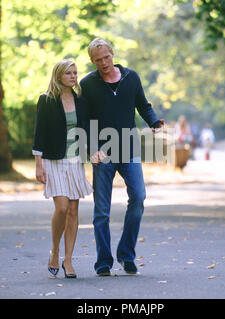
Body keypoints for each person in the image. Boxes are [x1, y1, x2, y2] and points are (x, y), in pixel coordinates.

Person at [80, 38, 164, 276]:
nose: (103, 63)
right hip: (103, 154)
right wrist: (93, 148)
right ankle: (103, 262)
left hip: (129, 150)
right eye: (98, 60)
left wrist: (154, 121)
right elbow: (85, 122)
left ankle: (126, 255)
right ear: (92, 61)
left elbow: (143, 105)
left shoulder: (131, 77)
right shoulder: (88, 84)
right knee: (101, 211)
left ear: (112, 54)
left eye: (106, 57)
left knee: (138, 197)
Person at [32, 59, 93, 279]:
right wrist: (38, 164)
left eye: (75, 73)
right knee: (61, 208)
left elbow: (86, 130)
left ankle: (68, 260)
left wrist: (92, 151)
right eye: (69, 73)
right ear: (59, 76)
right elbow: (39, 133)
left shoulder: (81, 101)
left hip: (75, 161)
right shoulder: (46, 100)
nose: (73, 76)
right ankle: (55, 250)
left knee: (74, 211)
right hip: (53, 160)